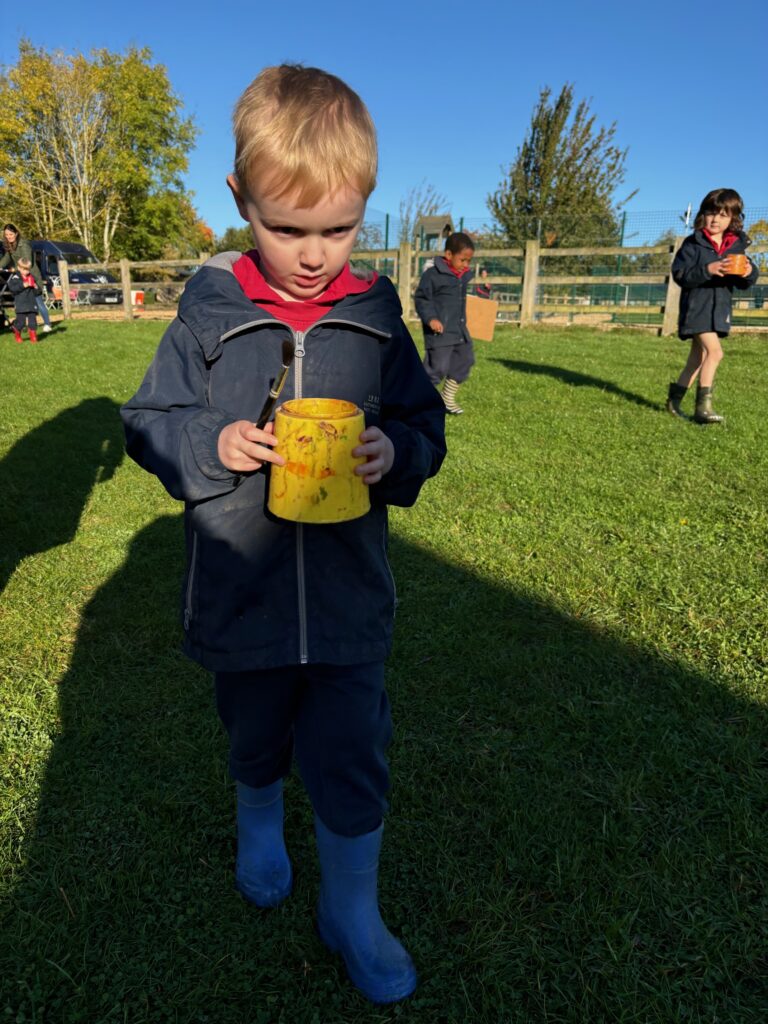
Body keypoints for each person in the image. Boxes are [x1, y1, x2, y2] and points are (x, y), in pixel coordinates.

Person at [120, 64, 446, 1005]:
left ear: (366, 209)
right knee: (254, 729)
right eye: (285, 226)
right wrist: (209, 441)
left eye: (337, 229)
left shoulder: (378, 317)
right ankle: (258, 816)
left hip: (347, 601)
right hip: (243, 594)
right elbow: (147, 419)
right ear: (238, 199)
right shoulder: (207, 315)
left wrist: (400, 450)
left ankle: (353, 905)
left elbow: (426, 427)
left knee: (352, 747)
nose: (312, 254)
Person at [667, 189, 759, 423]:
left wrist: (749, 272)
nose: (715, 219)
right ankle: (703, 409)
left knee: (697, 359)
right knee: (715, 353)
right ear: (702, 215)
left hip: (718, 311)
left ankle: (674, 402)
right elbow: (680, 274)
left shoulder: (735, 246)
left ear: (733, 219)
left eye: (723, 215)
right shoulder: (693, 244)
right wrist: (707, 270)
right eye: (711, 213)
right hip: (696, 309)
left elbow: (747, 279)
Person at [414, 231, 476, 415]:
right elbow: (422, 298)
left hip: (458, 330)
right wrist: (431, 318)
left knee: (465, 360)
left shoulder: (462, 277)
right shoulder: (433, 275)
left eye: (469, 261)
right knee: (436, 368)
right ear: (448, 255)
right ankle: (419, 402)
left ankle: (446, 399)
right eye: (462, 260)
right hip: (439, 332)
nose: (466, 265)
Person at [1, 223, 53, 333]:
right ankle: (21, 324)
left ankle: (47, 323)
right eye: (6, 235)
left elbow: (26, 260)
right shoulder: (10, 245)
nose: (9, 236)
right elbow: (7, 257)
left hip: (31, 275)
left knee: (38, 301)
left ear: (16, 233)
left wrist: (14, 269)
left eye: (11, 234)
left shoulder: (24, 244)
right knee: (21, 302)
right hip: (20, 277)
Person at [7, 257, 42, 343]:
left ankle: (33, 337)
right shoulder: (15, 278)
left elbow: (37, 292)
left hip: (31, 303)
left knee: (33, 322)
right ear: (19, 268)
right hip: (20, 303)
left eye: (28, 269)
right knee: (21, 323)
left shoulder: (31, 277)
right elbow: (13, 289)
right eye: (24, 269)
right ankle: (17, 332)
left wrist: (37, 288)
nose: (27, 271)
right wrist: (23, 285)